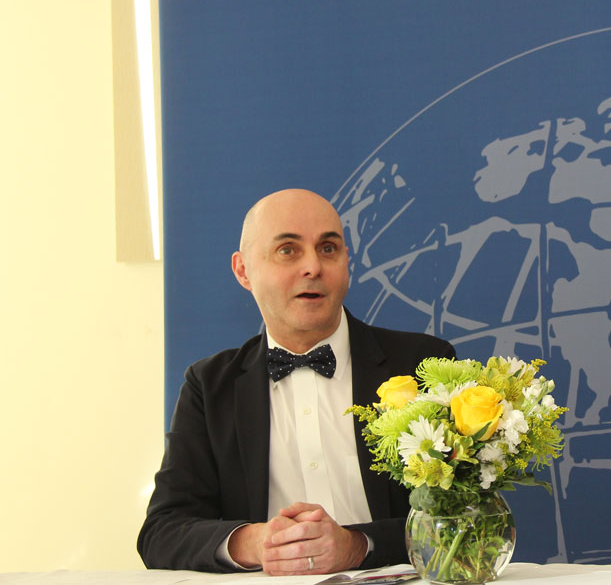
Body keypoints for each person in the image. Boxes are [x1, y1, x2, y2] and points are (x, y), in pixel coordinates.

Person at [138, 189, 455, 575]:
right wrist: (254, 541)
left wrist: (358, 545)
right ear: (243, 271)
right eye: (288, 250)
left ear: (346, 262)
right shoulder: (208, 386)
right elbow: (161, 532)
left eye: (328, 248)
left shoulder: (423, 366)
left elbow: (464, 519)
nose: (313, 267)